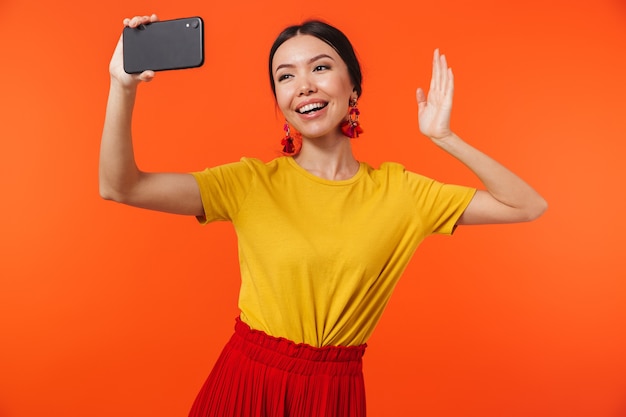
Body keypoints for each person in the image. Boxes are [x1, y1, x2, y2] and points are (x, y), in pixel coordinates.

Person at [100, 14, 547, 417]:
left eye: (320, 67)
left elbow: (526, 205)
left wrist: (445, 137)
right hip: (247, 385)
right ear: (279, 99)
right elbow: (121, 186)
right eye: (286, 76)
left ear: (353, 86)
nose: (304, 86)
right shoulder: (250, 183)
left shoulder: (403, 192)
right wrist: (122, 87)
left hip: (334, 392)